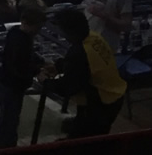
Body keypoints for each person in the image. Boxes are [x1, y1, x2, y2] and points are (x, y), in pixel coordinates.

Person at [46, 9, 126, 138]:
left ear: (69, 31)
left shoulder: (79, 52)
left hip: (101, 103)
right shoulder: (93, 37)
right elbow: (84, 65)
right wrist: (59, 66)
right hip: (113, 94)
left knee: (85, 143)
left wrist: (46, 82)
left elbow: (69, 87)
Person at [0, 0, 45, 150]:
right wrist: (36, 71)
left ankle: (6, 145)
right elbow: (17, 64)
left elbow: (27, 57)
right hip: (11, 84)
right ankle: (3, 147)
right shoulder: (18, 38)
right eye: (37, 26)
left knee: (11, 117)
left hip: (15, 84)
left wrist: (40, 62)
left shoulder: (20, 35)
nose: (38, 30)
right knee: (8, 118)